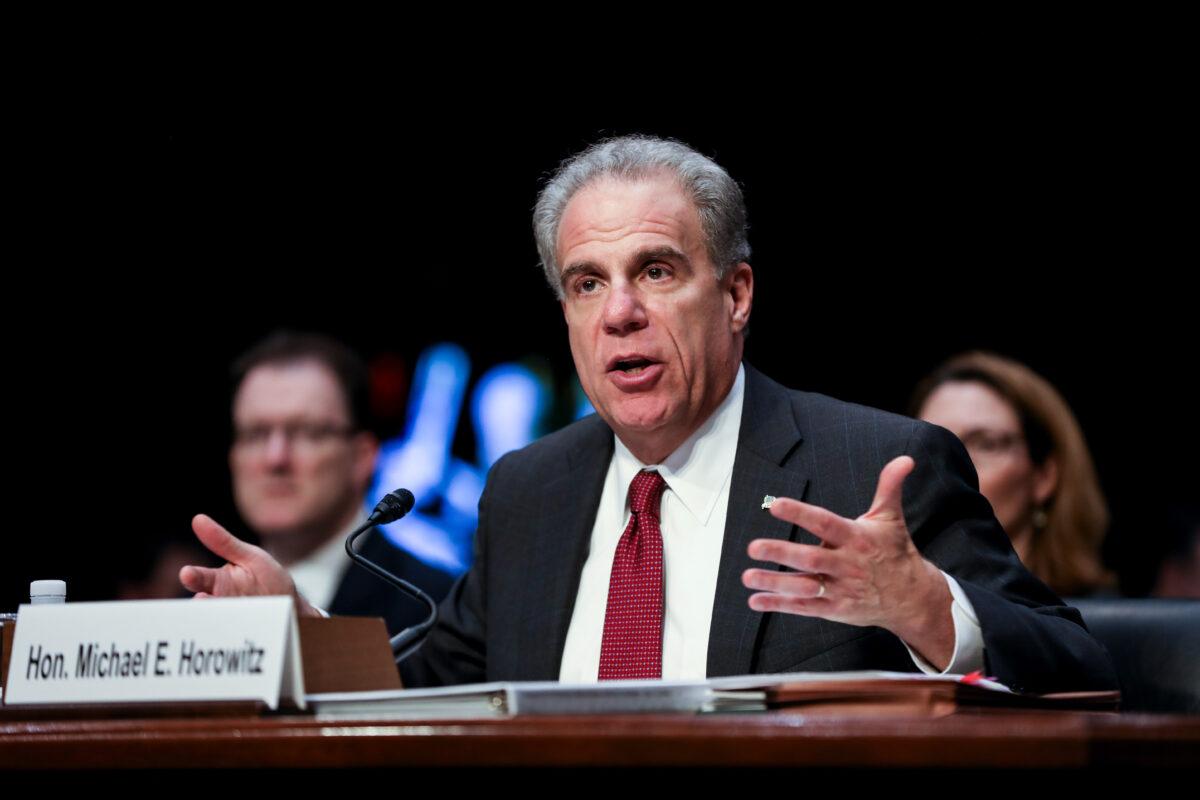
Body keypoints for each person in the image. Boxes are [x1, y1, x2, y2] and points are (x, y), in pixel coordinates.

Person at [182, 137, 1116, 695]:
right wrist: (302, 638)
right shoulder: (528, 491)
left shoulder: (868, 463)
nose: (620, 311)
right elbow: (426, 696)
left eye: (656, 272)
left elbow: (1078, 665)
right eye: (588, 284)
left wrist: (926, 611)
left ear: (738, 293)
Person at [223, 331, 453, 634]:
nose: (275, 458)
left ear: (362, 457)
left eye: (307, 432)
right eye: (255, 434)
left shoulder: (435, 608)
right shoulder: (196, 605)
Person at [910, 352, 1116, 597]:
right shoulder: (878, 622)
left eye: (986, 444)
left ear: (1044, 476)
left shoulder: (1094, 626)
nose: (947, 464)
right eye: (929, 446)